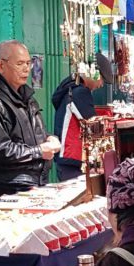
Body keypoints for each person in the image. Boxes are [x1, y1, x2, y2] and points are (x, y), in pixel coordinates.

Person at [0, 40, 61, 198]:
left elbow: (32, 134)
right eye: (20, 63)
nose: (26, 68)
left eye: (28, 63)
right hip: (13, 189)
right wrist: (39, 151)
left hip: (38, 183)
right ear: (1, 66)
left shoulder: (28, 98)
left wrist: (49, 138)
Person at [51, 53, 114, 181]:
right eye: (102, 79)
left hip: (66, 158)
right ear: (93, 72)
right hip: (72, 158)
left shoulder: (72, 88)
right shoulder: (80, 92)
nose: (101, 84)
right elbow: (94, 125)